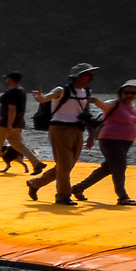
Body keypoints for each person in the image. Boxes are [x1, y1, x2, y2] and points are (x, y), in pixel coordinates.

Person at [28, 63, 100, 205]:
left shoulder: (86, 93)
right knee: (65, 165)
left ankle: (35, 183)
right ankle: (63, 196)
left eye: (92, 74)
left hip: (77, 130)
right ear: (78, 76)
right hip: (59, 129)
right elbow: (46, 98)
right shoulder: (61, 90)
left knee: (66, 165)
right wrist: (40, 98)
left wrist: (92, 135)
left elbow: (86, 115)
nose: (92, 77)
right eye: (88, 74)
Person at [70, 78, 136, 206]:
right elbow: (104, 107)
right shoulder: (114, 103)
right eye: (126, 92)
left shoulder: (134, 107)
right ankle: (122, 196)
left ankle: (78, 188)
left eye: (133, 93)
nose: (129, 95)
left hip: (126, 143)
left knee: (108, 168)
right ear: (121, 92)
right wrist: (97, 102)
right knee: (120, 167)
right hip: (111, 140)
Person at [0, 71, 39, 175]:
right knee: (18, 145)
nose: (5, 80)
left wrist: (9, 125)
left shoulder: (12, 92)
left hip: (5, 124)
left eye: (7, 78)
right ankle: (36, 163)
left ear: (10, 80)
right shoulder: (21, 91)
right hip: (18, 123)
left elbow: (12, 109)